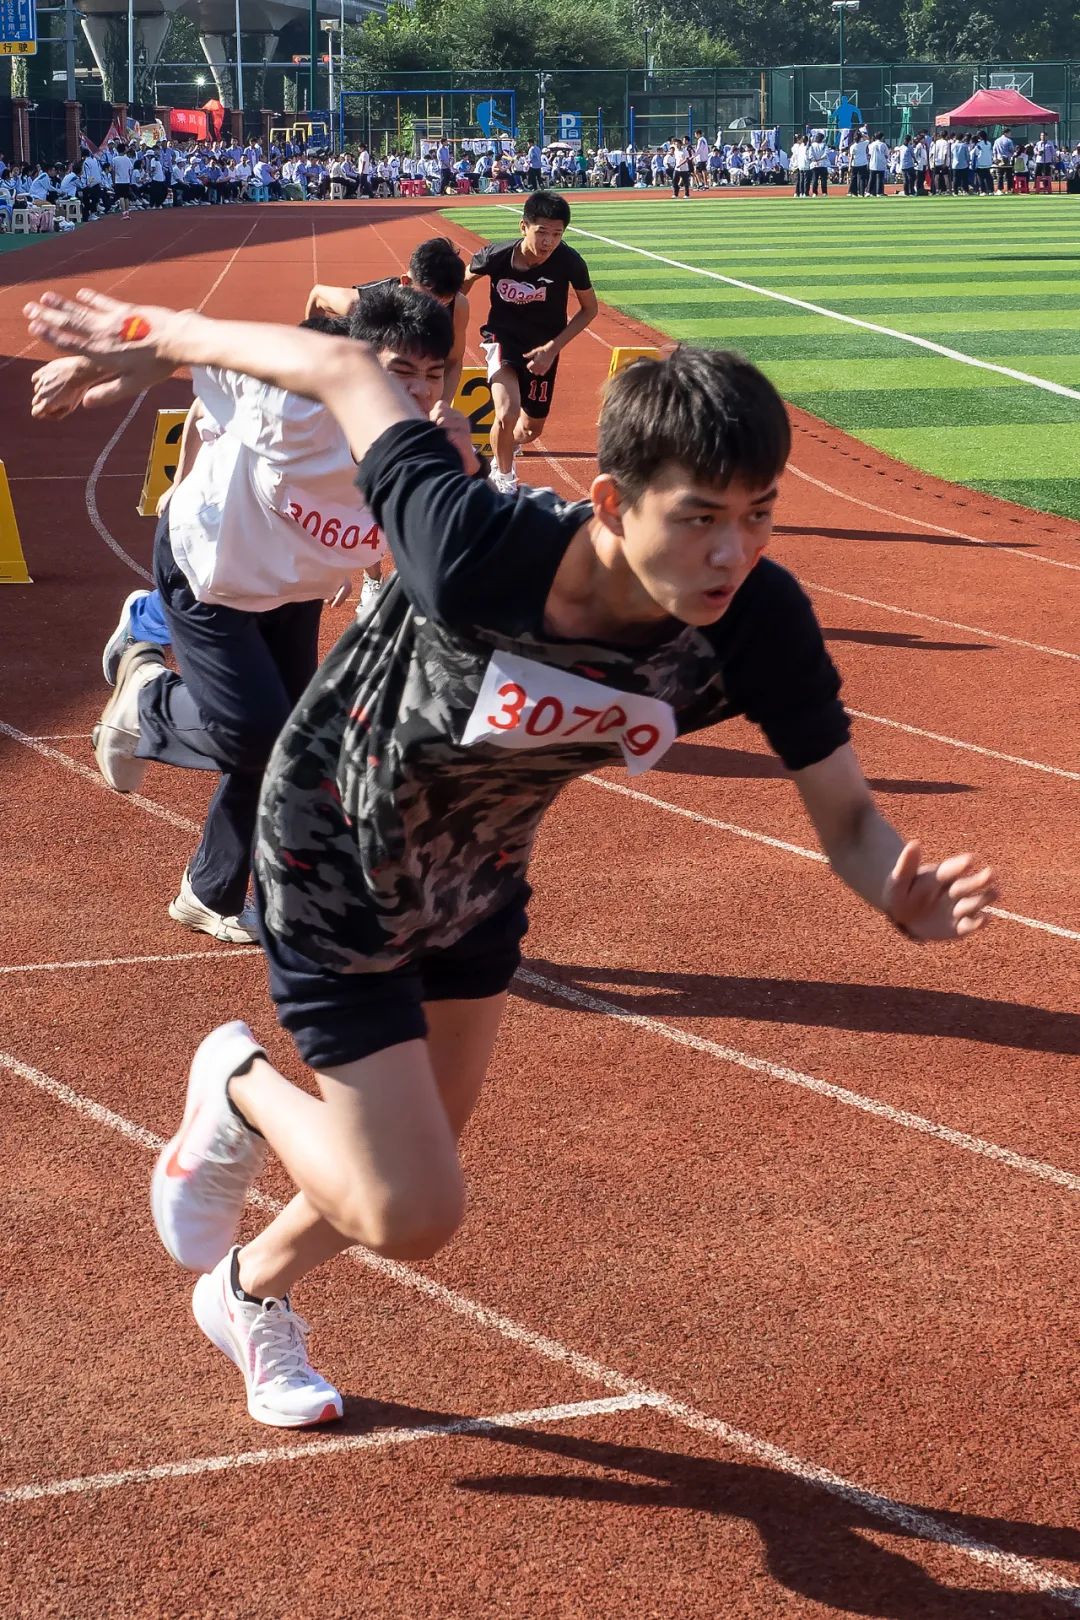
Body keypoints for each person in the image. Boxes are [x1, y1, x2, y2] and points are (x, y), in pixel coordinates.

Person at [23, 289, 1001, 1428]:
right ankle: (237, 1084)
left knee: (409, 1159)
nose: (731, 551)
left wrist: (896, 887)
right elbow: (344, 371)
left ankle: (245, 1292)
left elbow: (849, 819)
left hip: (475, 879)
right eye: (698, 517)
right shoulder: (475, 544)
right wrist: (156, 341)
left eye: (758, 514)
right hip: (333, 851)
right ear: (611, 501)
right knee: (413, 1209)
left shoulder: (754, 623)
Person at [30, 288, 461, 947]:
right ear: (355, 364)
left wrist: (354, 562)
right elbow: (189, 337)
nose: (420, 391)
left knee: (291, 746)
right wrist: (91, 367)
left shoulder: (428, 446)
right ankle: (145, 697)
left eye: (434, 374)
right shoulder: (292, 407)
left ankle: (209, 893)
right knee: (258, 735)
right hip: (212, 566)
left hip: (293, 586)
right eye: (400, 371)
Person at [463, 188, 598, 493]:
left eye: (557, 234)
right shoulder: (495, 256)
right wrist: (454, 316)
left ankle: (505, 446)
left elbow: (590, 309)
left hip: (543, 349)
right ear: (523, 227)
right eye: (542, 232)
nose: (548, 241)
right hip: (501, 340)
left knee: (529, 429)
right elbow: (463, 281)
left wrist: (553, 347)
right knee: (507, 413)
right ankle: (503, 478)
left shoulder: (570, 262)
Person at [305, 236, 468, 404]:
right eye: (429, 299)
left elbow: (454, 361)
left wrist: (442, 405)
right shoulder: (362, 305)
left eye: (444, 302)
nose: (434, 309)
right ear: (406, 282)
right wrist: (310, 356)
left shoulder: (458, 306)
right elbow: (317, 295)